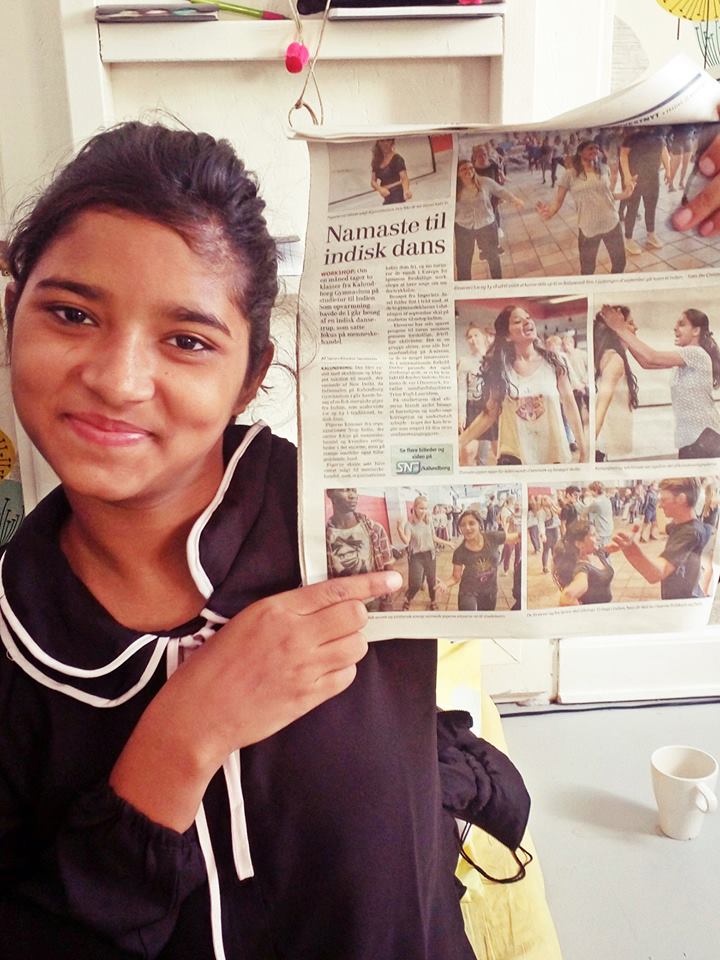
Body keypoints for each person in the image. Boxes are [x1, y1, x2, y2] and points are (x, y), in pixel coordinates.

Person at [0, 121, 498, 960]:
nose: (118, 380)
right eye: (72, 314)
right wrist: (180, 741)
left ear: (252, 376)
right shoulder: (13, 637)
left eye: (187, 341)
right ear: (13, 313)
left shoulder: (351, 518)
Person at [459, 305, 586, 466]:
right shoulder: (501, 369)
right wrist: (459, 443)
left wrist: (584, 449)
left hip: (552, 455)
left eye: (528, 318)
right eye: (518, 321)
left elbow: (569, 405)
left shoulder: (553, 362)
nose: (527, 322)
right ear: (507, 336)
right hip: (514, 457)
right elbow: (489, 414)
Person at [600, 305, 720, 459]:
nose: (675, 328)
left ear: (696, 331)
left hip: (704, 437)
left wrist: (620, 328)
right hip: (692, 440)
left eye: (681, 324)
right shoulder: (683, 361)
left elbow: (652, 357)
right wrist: (624, 334)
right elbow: (646, 363)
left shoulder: (696, 353)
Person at [536, 139, 636, 275]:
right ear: (580, 152)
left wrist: (625, 194)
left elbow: (607, 195)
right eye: (590, 148)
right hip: (588, 227)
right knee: (587, 269)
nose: (595, 151)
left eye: (596, 148)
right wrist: (550, 212)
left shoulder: (604, 169)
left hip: (612, 223)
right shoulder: (570, 174)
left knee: (620, 263)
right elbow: (558, 201)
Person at [613, 478, 711, 599]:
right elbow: (669, 528)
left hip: (683, 600)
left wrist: (630, 548)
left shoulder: (691, 532)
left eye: (664, 500)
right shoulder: (680, 525)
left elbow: (657, 573)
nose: (659, 505)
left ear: (681, 499)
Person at [325, 488, 395, 611]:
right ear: (331, 494)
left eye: (354, 490)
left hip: (374, 600)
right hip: (343, 604)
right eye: (346, 490)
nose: (352, 495)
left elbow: (388, 565)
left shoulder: (375, 529)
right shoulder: (325, 537)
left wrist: (388, 600)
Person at [454, 159, 523, 281]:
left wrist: (515, 200)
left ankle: (497, 283)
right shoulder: (454, 189)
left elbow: (500, 191)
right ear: (458, 173)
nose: (468, 171)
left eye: (470, 168)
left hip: (486, 225)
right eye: (463, 169)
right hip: (463, 227)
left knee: (493, 257)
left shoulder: (484, 182)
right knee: (463, 262)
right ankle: (464, 288)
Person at [437, 509, 519, 611]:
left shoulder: (493, 537)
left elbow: (516, 537)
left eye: (471, 523)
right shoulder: (459, 552)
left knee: (486, 617)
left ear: (480, 524)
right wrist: (445, 584)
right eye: (463, 525)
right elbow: (455, 577)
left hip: (490, 591)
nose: (467, 528)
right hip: (468, 591)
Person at [593, 306, 639, 461]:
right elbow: (600, 409)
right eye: (631, 323)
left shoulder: (610, 356)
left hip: (603, 447)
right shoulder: (615, 360)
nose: (636, 327)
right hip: (601, 448)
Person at [620, 127, 671, 254]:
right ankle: (628, 239)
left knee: (651, 208)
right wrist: (626, 175)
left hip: (653, 177)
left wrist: (668, 170)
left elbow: (664, 151)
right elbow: (623, 155)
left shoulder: (659, 134)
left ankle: (651, 235)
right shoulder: (632, 136)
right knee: (632, 209)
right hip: (635, 178)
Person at [396, 495, 448, 611]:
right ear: (414, 508)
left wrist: (447, 543)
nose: (424, 511)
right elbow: (406, 541)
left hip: (430, 555)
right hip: (416, 556)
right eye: (421, 508)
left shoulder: (429, 521)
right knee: (416, 583)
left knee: (432, 581)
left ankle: (433, 601)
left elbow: (434, 537)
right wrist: (399, 529)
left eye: (425, 508)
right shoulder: (409, 524)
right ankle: (407, 599)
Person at [456, 321, 496, 466]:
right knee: (467, 452)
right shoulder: (464, 362)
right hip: (472, 409)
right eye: (469, 337)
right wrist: (461, 414)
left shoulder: (494, 359)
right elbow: (461, 389)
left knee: (494, 454)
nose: (473, 339)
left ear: (484, 337)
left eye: (476, 335)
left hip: (491, 409)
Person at [552, 519, 617, 606]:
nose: (598, 537)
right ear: (579, 544)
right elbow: (568, 596)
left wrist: (614, 548)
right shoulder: (582, 568)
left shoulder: (596, 553)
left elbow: (604, 552)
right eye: (593, 535)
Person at [370, 138, 412, 205]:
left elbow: (404, 178)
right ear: (378, 143)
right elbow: (373, 181)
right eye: (382, 141)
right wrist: (380, 189)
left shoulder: (397, 159)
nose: (385, 143)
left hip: (397, 194)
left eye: (388, 140)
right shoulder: (376, 160)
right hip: (386, 196)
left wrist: (406, 190)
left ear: (392, 142)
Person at [579, 481, 614, 549]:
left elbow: (584, 512)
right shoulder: (606, 499)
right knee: (606, 549)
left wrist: (578, 501)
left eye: (590, 491)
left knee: (600, 551)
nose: (590, 493)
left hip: (602, 531)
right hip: (608, 529)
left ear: (596, 491)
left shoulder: (596, 503)